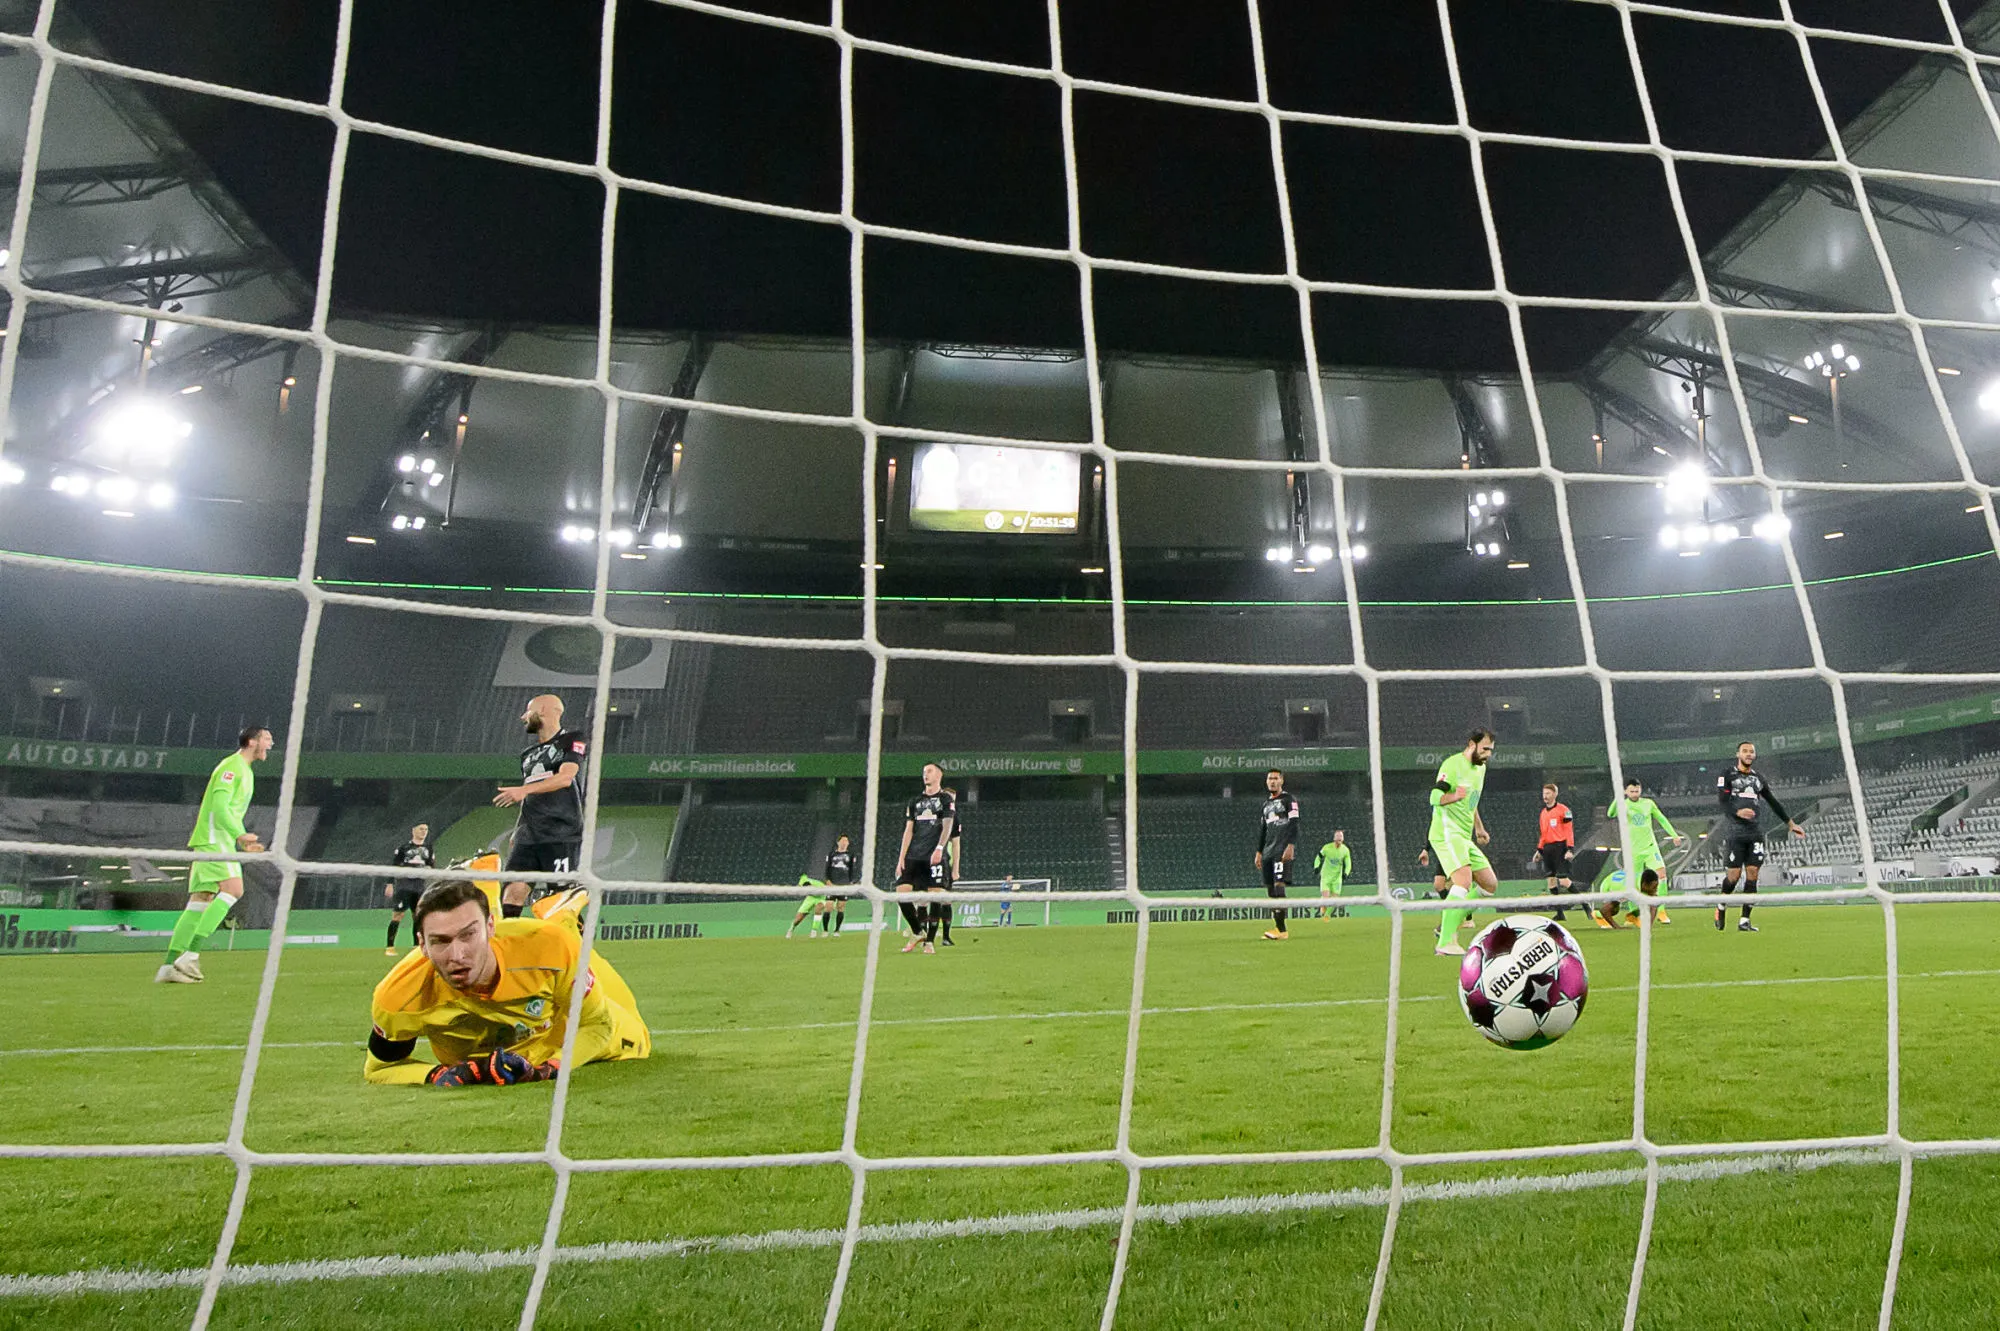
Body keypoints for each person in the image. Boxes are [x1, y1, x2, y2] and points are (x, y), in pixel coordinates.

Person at [364, 880, 648, 1086]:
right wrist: (437, 1074)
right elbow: (380, 1069)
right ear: (422, 945)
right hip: (512, 1038)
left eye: (468, 935)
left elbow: (598, 1026)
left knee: (639, 1043)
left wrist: (549, 1068)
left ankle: (563, 917)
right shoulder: (398, 997)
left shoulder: (550, 951)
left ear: (490, 928)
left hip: (559, 1024)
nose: (457, 955)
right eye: (440, 941)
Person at [155, 726, 273, 985]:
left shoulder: (245, 770)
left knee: (201, 899)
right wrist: (240, 834)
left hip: (214, 839)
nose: (271, 744)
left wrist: (240, 840)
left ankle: (168, 966)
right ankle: (190, 955)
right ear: (252, 741)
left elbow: (227, 809)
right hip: (214, 839)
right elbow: (219, 806)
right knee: (234, 889)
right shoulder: (232, 767)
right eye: (267, 738)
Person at [494, 694, 587, 919]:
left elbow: (566, 778)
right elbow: (529, 793)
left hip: (560, 833)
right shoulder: (527, 755)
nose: (523, 717)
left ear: (543, 710)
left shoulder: (574, 739)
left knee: (561, 899)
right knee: (512, 892)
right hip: (528, 836)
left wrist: (523, 790)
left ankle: (575, 950)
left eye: (527, 711)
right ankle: (510, 949)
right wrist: (518, 828)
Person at [1715, 741, 1803, 933]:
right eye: (1745, 751)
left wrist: (1790, 824)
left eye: (1751, 751)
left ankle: (1744, 920)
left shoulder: (1758, 779)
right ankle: (1721, 905)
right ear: (1738, 753)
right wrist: (1738, 813)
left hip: (1754, 833)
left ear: (1754, 756)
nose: (1748, 754)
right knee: (1734, 876)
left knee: (1753, 874)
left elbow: (1772, 801)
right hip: (1735, 832)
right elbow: (1722, 802)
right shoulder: (1727, 775)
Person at [1430, 729, 1498, 956]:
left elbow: (1472, 801)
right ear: (1472, 744)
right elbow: (1434, 798)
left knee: (1489, 884)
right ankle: (1446, 943)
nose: (1488, 754)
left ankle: (1447, 925)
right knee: (1462, 882)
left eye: (1491, 750)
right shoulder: (1452, 765)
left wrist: (1479, 827)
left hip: (1464, 835)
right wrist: (1454, 796)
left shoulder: (1481, 769)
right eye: (1485, 748)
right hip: (1447, 832)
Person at [895, 762, 955, 955]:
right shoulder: (915, 801)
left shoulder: (945, 799)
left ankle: (929, 941)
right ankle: (917, 931)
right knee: (901, 893)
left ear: (939, 775)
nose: (925, 775)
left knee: (935, 896)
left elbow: (947, 825)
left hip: (934, 856)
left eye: (929, 771)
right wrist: (901, 857)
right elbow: (908, 830)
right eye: (923, 772)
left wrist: (939, 848)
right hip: (914, 856)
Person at [1607, 778, 1683, 927]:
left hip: (1650, 847)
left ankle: (1661, 910)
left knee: (1661, 874)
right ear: (1625, 791)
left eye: (1637, 791)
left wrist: (1673, 834)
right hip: (1632, 850)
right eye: (1631, 791)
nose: (1635, 794)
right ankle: (1633, 914)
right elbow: (1610, 814)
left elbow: (1661, 818)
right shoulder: (1623, 805)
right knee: (1633, 883)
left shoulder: (1648, 804)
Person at [1253, 768, 1300, 941]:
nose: (1272, 781)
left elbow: (1295, 823)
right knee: (1270, 890)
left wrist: (1290, 845)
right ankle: (1278, 928)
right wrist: (1259, 852)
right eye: (1269, 779)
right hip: (1267, 852)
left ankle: (1282, 930)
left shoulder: (1289, 800)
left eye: (1275, 778)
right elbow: (1263, 830)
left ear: (1281, 781)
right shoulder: (1265, 806)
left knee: (1279, 886)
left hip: (1281, 850)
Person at [383, 822, 436, 955]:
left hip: (419, 886)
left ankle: (416, 946)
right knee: (398, 915)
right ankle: (390, 946)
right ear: (413, 831)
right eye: (421, 829)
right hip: (404, 885)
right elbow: (393, 867)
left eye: (426, 829)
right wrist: (390, 884)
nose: (424, 832)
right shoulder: (403, 848)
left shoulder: (428, 848)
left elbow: (432, 866)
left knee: (418, 916)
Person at [1535, 784, 1576, 921]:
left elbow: (1569, 830)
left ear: (1555, 794)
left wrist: (1570, 848)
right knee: (1551, 881)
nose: (1545, 796)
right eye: (1544, 793)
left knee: (1563, 880)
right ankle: (1560, 913)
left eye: (1547, 793)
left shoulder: (1565, 810)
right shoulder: (1542, 813)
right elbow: (1543, 834)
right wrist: (1539, 850)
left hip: (1560, 847)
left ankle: (1585, 902)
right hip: (1547, 849)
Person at [1594, 866, 1666, 929]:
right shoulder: (1627, 890)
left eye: (1656, 886)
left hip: (1624, 880)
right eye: (1654, 887)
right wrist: (1617, 927)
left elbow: (1653, 906)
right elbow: (1604, 910)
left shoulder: (1645, 881)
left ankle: (1632, 916)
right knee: (1613, 910)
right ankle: (1597, 915)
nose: (1655, 890)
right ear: (1644, 885)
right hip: (1609, 885)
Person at [938, 790, 964, 946]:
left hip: (944, 862)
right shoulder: (931, 814)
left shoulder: (954, 818)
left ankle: (946, 937)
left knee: (946, 900)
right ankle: (922, 934)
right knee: (924, 899)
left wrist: (955, 868)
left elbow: (956, 844)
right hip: (926, 860)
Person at [820, 834, 857, 936]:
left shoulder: (851, 855)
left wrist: (851, 882)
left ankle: (837, 930)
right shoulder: (832, 854)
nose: (845, 843)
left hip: (844, 884)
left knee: (841, 907)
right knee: (828, 907)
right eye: (843, 841)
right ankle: (825, 930)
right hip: (832, 884)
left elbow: (852, 870)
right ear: (838, 842)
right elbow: (826, 869)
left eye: (846, 841)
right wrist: (827, 880)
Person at [1314, 829, 1352, 918]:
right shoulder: (1327, 848)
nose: (1339, 838)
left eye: (1341, 836)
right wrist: (1316, 866)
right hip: (1326, 876)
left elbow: (1348, 863)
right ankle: (1322, 906)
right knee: (1326, 897)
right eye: (1338, 836)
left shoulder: (1345, 850)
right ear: (1334, 838)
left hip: (1337, 878)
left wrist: (1346, 873)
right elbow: (1318, 857)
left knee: (1335, 900)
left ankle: (1327, 916)